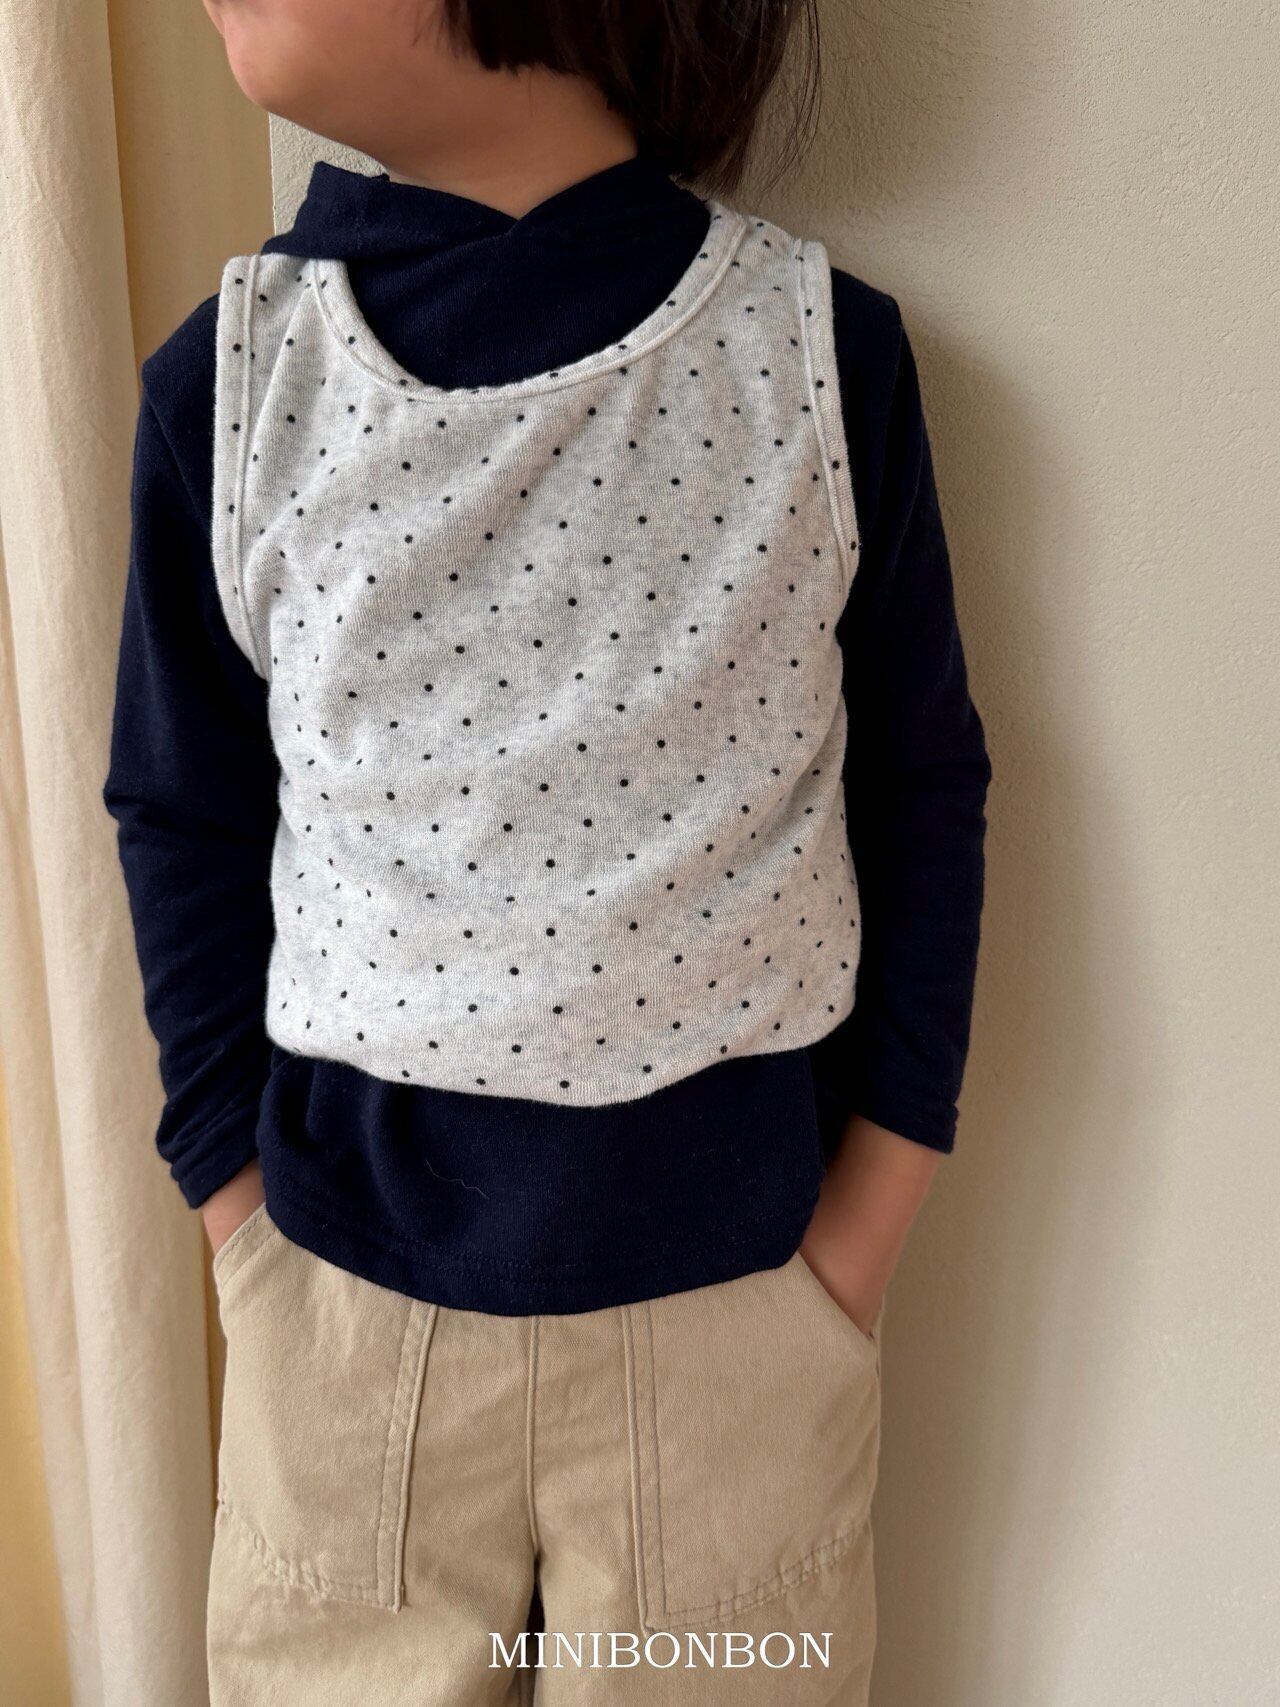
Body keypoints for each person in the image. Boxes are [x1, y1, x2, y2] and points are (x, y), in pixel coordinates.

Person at [103, 1, 991, 1698]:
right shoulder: (232, 385)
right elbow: (182, 815)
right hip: (340, 1317)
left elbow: (922, 786)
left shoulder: (813, 353)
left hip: (737, 1318)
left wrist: (865, 1229)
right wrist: (237, 1221)